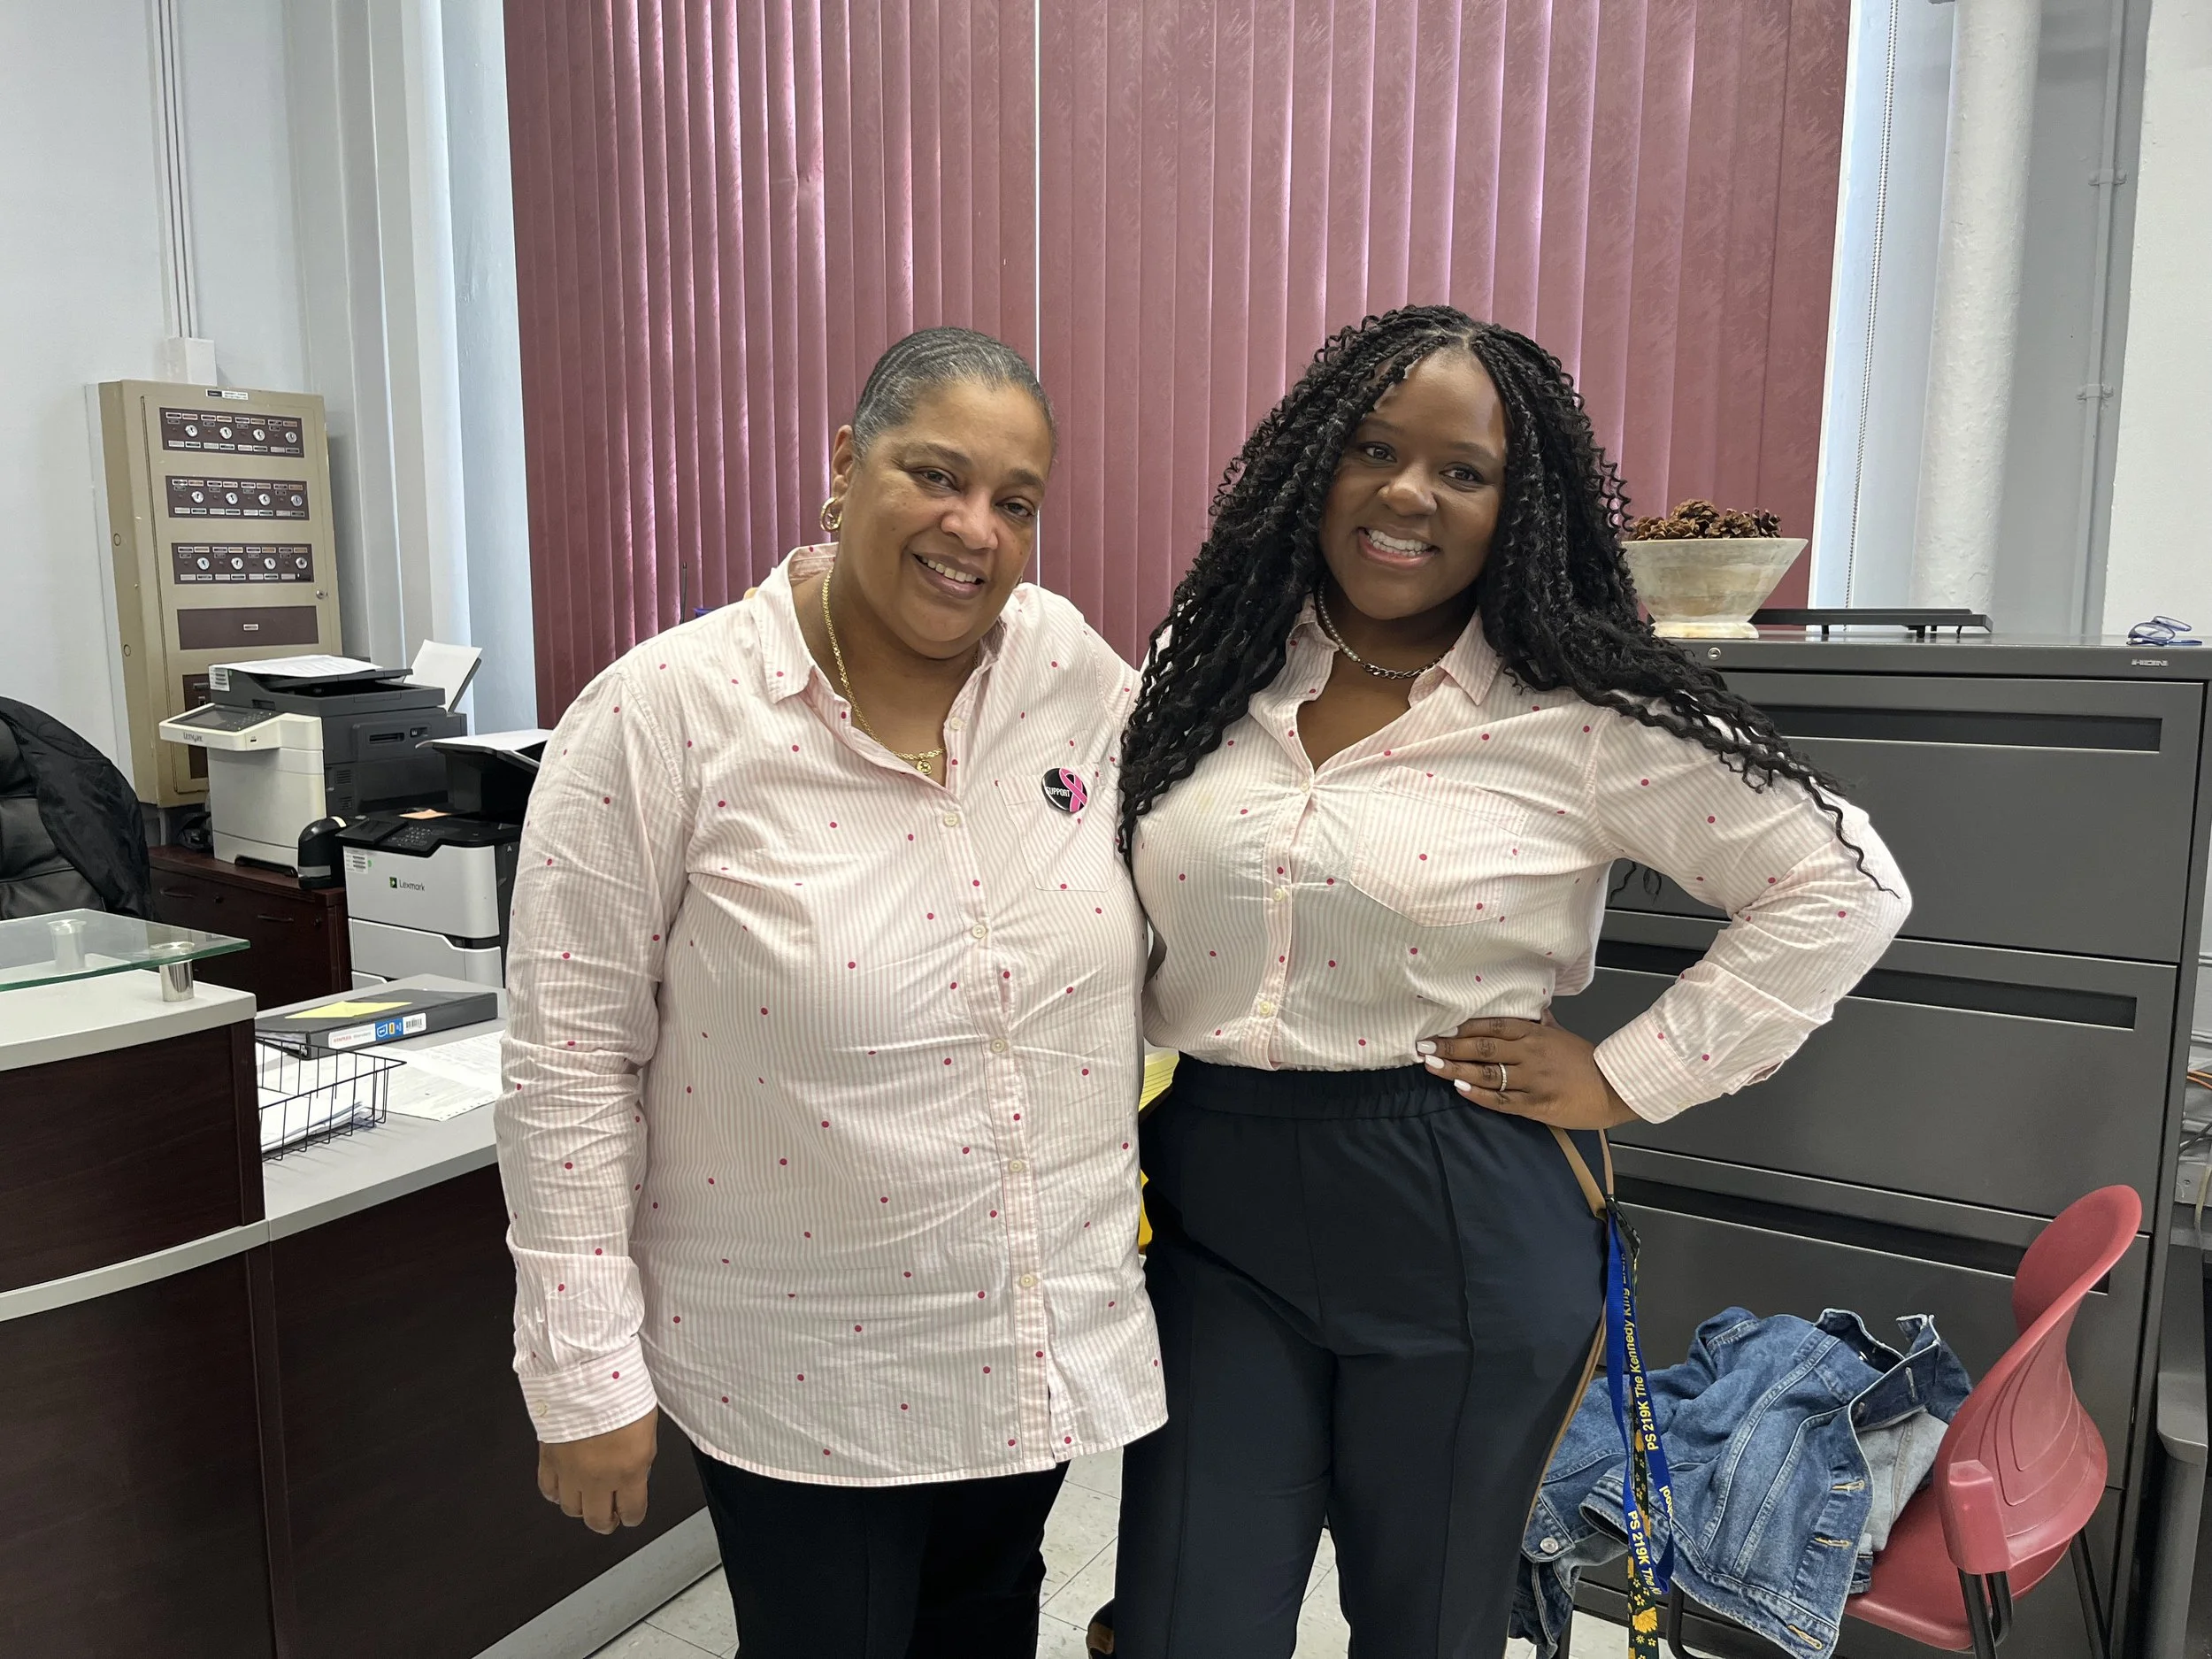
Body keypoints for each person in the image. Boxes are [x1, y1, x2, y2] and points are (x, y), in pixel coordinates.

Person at [1107, 305, 1911, 1659]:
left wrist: (1624, 1073)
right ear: (1315, 465)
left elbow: (1846, 884)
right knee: (1189, 1614)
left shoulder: (1580, 712)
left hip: (1456, 1196)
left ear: (1514, 503)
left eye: (1462, 470)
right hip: (1215, 1199)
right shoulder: (1210, 668)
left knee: (1429, 1625)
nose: (1407, 493)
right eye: (1372, 446)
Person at [495, 327, 1165, 1659]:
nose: (973, 529)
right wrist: (580, 1368)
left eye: (1014, 501)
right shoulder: (666, 716)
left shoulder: (1071, 676)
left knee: (985, 1630)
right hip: (805, 1374)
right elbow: (570, 1055)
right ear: (846, 466)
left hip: (1027, 1336)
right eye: (936, 474)